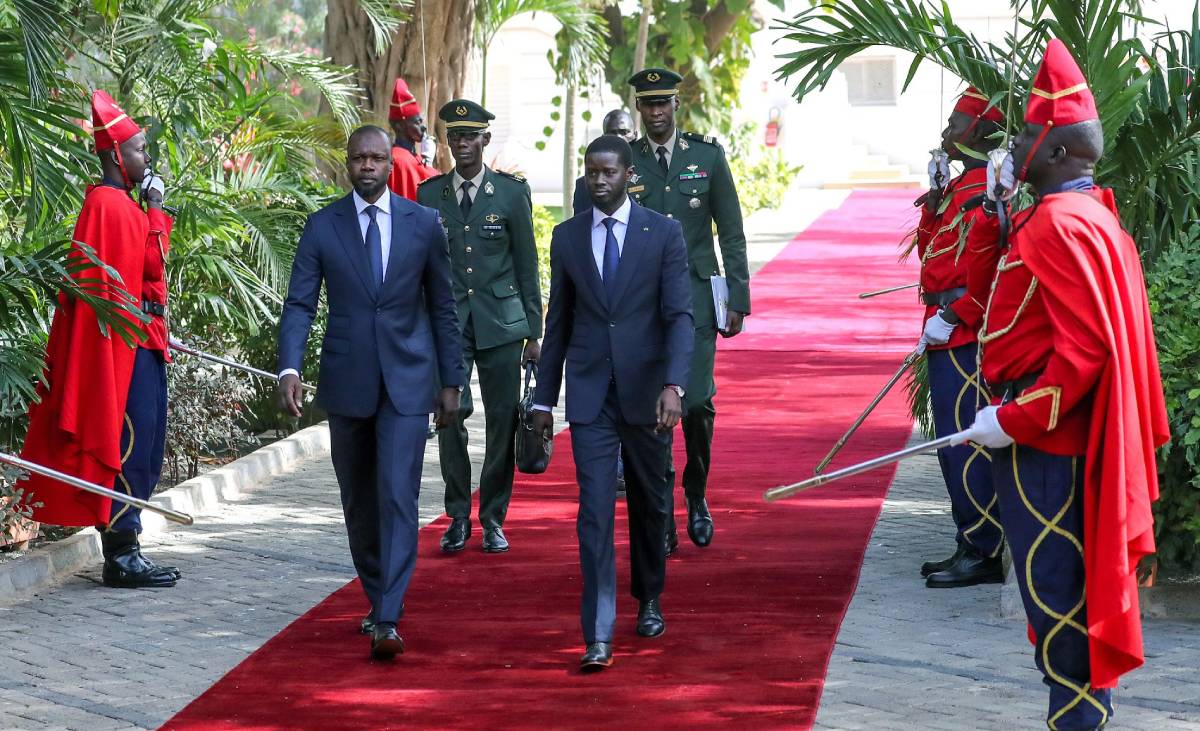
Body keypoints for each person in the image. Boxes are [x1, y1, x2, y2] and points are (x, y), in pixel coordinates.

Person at [956, 39, 1169, 729]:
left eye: (1024, 133)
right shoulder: (1082, 217)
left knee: (1058, 607)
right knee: (1061, 603)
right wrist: (997, 210)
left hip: (1048, 450)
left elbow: (1082, 359)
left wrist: (1011, 420)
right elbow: (1005, 299)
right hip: (1055, 444)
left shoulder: (1058, 226)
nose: (1013, 143)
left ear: (1053, 152)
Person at [277, 125, 465, 660]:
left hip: (408, 383)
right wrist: (289, 368)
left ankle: (387, 616)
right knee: (359, 502)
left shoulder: (424, 224)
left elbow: (444, 308)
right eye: (358, 158)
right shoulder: (322, 227)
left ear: (390, 164)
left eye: (376, 159)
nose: (367, 167)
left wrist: (450, 382)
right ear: (347, 164)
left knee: (397, 496)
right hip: (348, 383)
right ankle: (379, 590)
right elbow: (300, 305)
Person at [531, 134, 693, 671]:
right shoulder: (567, 236)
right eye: (591, 172)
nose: (598, 181)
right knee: (595, 511)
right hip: (591, 396)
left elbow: (678, 317)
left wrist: (674, 384)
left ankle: (649, 595)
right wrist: (542, 399)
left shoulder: (663, 233)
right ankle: (597, 633)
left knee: (650, 500)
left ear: (628, 175)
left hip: (648, 395)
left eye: (608, 172)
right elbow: (559, 324)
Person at [21, 90, 179, 589]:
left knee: (147, 445)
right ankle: (121, 553)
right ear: (116, 155)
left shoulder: (119, 205)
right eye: (138, 149)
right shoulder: (109, 205)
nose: (146, 157)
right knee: (130, 445)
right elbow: (150, 265)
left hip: (145, 339)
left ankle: (130, 545)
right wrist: (155, 208)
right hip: (125, 350)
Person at [626, 68, 750, 554]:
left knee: (695, 401)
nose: (656, 112)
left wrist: (737, 297)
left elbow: (731, 230)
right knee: (652, 408)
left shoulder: (707, 157)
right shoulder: (627, 162)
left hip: (696, 298)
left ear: (677, 105)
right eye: (648, 104)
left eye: (664, 104)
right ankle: (661, 510)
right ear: (638, 108)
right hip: (641, 302)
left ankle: (696, 495)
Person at [417, 99, 542, 555]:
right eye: (456, 136)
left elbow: (527, 264)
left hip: (503, 323)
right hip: (450, 323)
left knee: (502, 421)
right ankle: (456, 515)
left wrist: (535, 332)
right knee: (449, 416)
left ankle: (492, 517)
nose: (463, 144)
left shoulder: (510, 193)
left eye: (471, 136)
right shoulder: (430, 196)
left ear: (485, 140)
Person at [914, 88, 1007, 589]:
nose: (945, 133)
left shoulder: (981, 193)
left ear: (977, 131)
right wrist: (932, 201)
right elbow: (931, 255)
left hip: (964, 332)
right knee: (951, 442)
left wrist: (955, 315)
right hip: (944, 327)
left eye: (955, 124)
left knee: (965, 442)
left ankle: (984, 547)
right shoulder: (958, 190)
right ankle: (968, 539)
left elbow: (987, 275)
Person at [571, 109, 637, 215]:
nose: (619, 138)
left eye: (624, 132)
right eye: (612, 133)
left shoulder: (650, 175)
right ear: (603, 136)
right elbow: (580, 226)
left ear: (635, 135)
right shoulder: (584, 186)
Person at [387, 77, 438, 200]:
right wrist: (429, 162)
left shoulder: (416, 158)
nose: (423, 127)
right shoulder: (397, 159)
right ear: (400, 126)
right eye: (417, 122)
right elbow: (432, 189)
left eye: (422, 122)